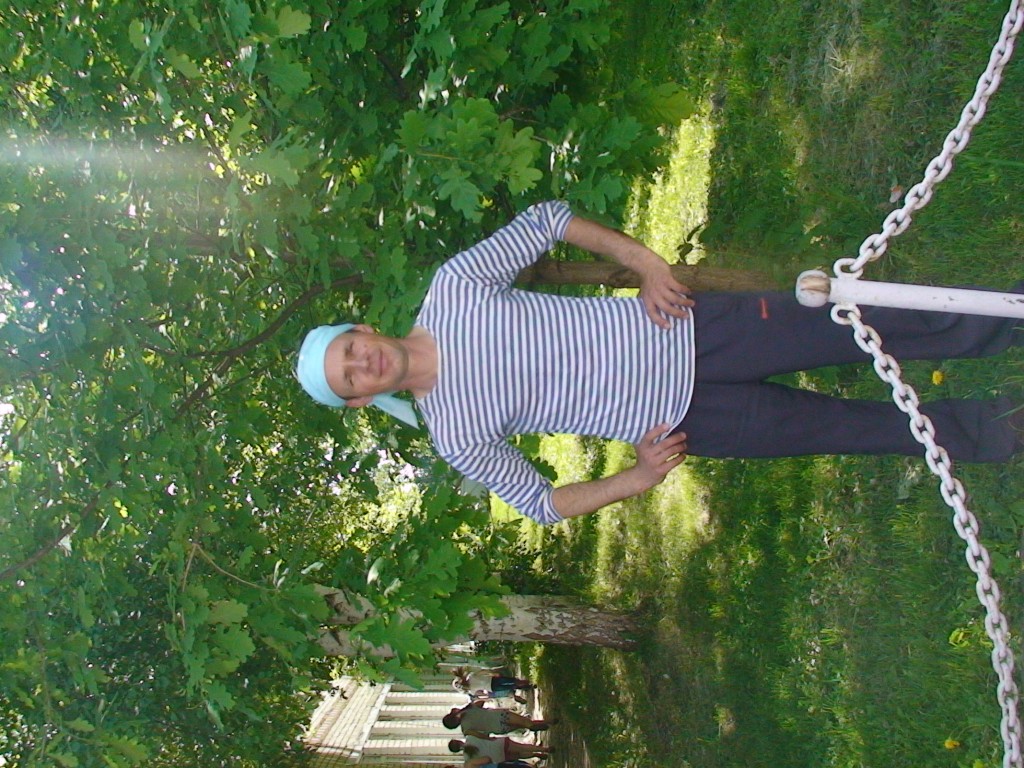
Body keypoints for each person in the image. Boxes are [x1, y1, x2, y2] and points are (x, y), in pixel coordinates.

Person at [297, 201, 1023, 524]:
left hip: (696, 328)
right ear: (361, 401)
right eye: (349, 380)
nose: (362, 364)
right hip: (691, 422)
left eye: (348, 350)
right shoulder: (454, 434)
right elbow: (542, 504)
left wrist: (647, 264)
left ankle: (1004, 321)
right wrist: (637, 477)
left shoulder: (453, 288)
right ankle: (1000, 429)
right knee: (856, 430)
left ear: (362, 328)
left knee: (866, 324)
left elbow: (546, 220)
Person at [442, 701, 552, 734]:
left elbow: (479, 735)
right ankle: (539, 724)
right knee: (524, 721)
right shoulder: (467, 710)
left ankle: (546, 722)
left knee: (522, 724)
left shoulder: (465, 730)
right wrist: (462, 709)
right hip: (498, 716)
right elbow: (481, 702)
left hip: (498, 729)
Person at [453, 666, 534, 704]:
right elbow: (483, 672)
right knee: (512, 681)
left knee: (509, 687)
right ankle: (527, 684)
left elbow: (481, 693)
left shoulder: (471, 690)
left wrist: (487, 697)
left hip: (491, 688)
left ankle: (526, 686)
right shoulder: (471, 676)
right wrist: (492, 673)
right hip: (492, 679)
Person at [449, 735, 551, 763]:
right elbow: (485, 735)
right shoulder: (470, 738)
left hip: (497, 757)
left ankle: (536, 755)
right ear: (458, 741)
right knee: (521, 747)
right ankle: (544, 749)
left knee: (518, 755)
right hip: (498, 744)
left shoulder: (468, 759)